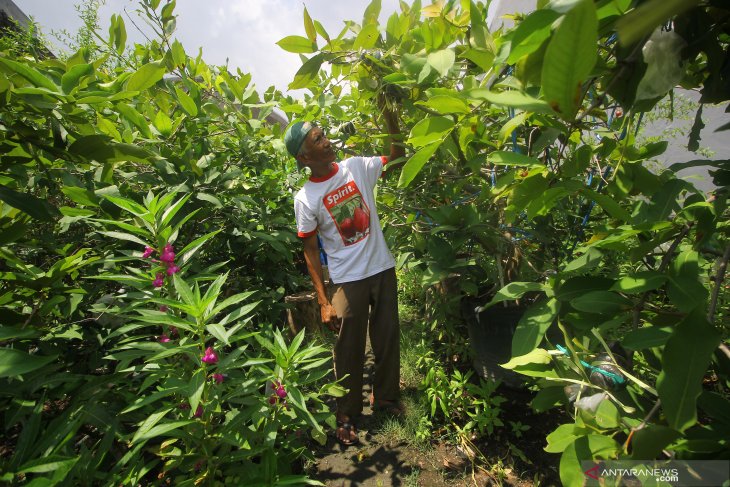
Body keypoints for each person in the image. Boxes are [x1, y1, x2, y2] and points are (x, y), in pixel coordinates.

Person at [284, 98, 405, 446]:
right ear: (305, 158)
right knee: (348, 349)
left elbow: (396, 157)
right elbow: (309, 251)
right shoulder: (306, 198)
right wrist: (323, 301)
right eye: (317, 140)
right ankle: (346, 412)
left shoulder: (356, 167)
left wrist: (389, 110)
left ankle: (384, 397)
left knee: (387, 337)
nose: (327, 141)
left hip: (382, 268)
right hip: (347, 280)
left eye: (323, 134)